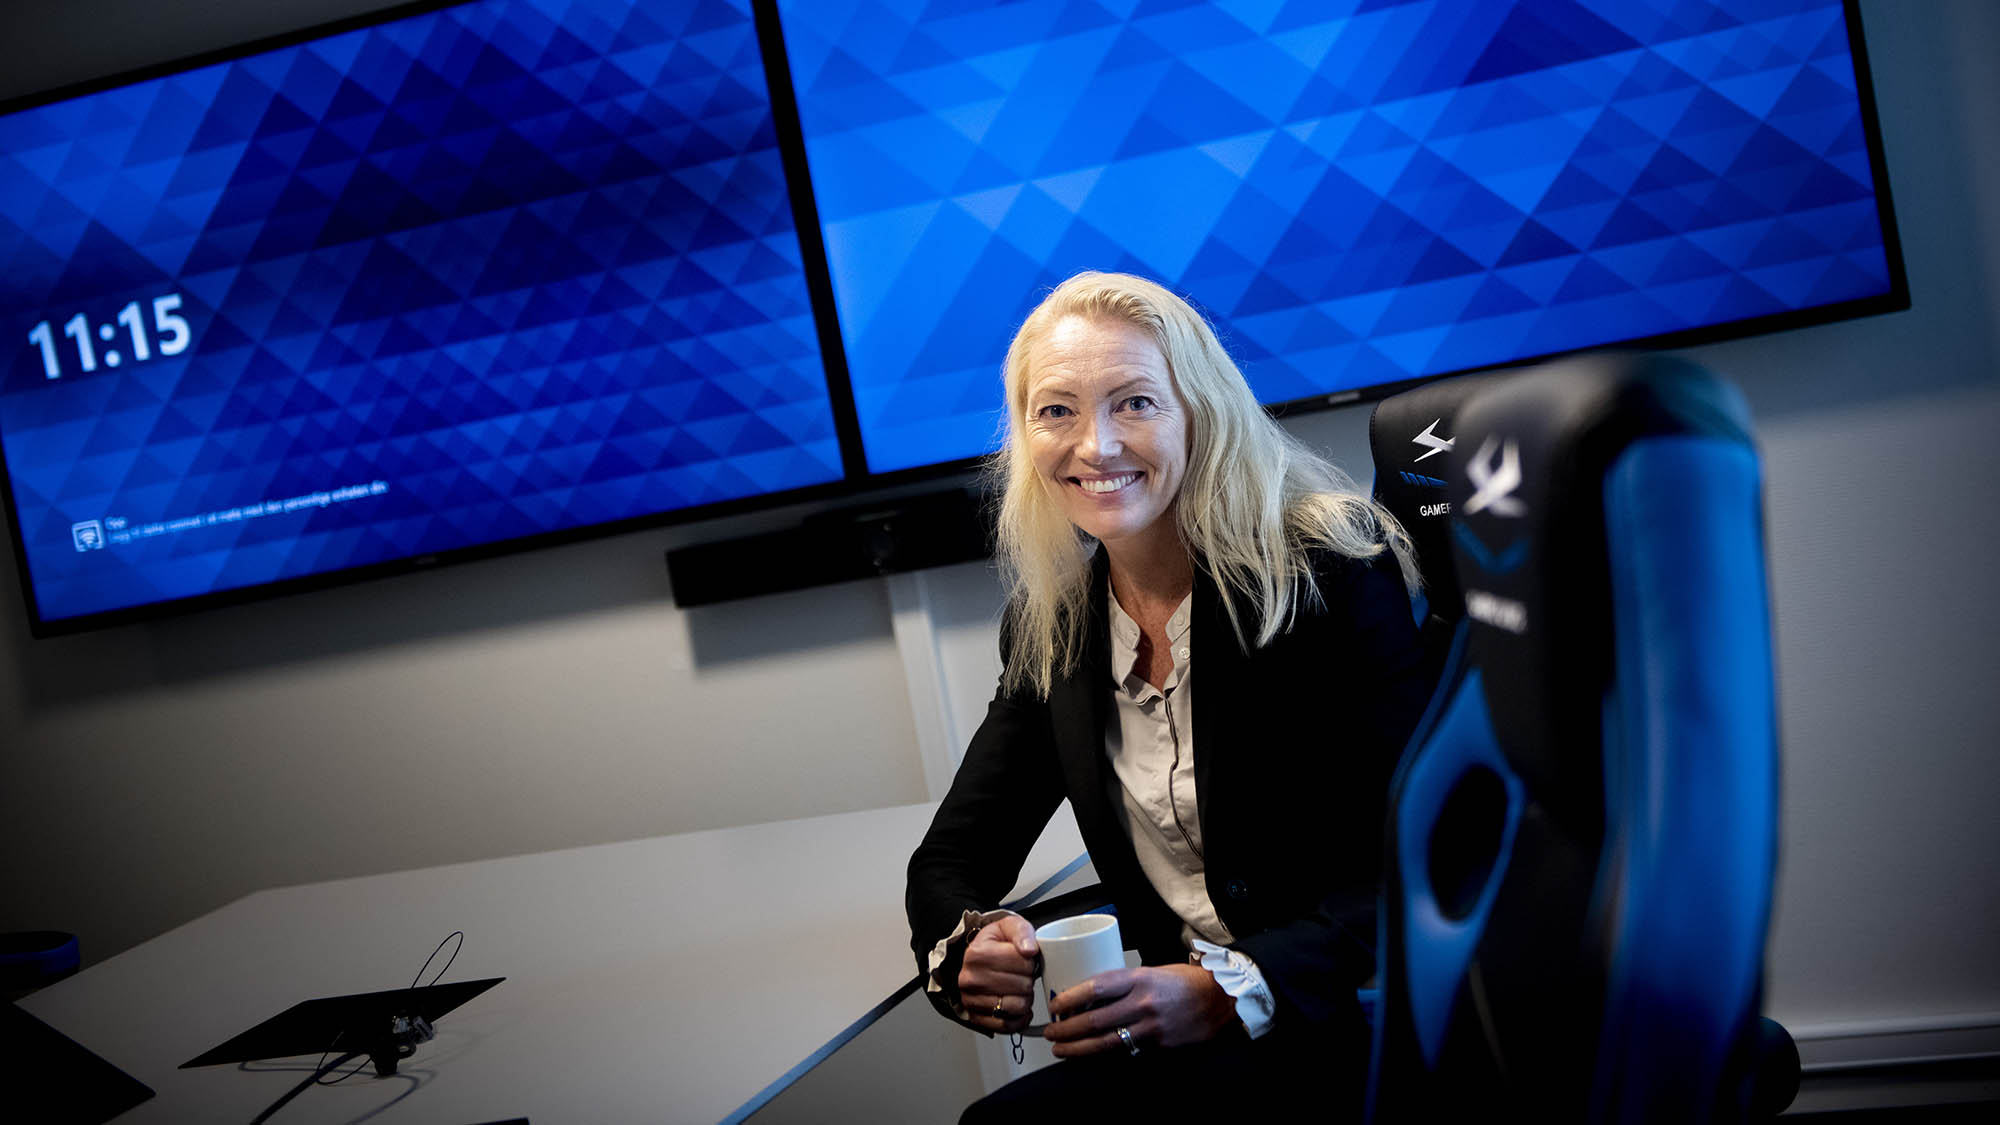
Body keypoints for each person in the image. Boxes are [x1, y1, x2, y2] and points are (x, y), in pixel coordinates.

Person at [905, 271, 1437, 1119]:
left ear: (1201, 411)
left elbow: (1431, 853)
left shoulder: (1329, 574)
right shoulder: (1056, 626)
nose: (1095, 445)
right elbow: (950, 860)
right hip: (1184, 1047)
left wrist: (1235, 985)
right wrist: (967, 944)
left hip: (1350, 1018)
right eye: (1057, 410)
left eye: (1135, 403)